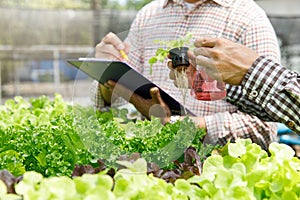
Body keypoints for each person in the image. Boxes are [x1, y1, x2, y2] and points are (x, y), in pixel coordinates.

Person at [92, 0, 281, 150]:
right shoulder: (148, 16)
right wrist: (107, 73)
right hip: (153, 163)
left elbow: (265, 127)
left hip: (215, 169)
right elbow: (115, 99)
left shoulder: (248, 19)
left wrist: (185, 126)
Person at [189, 37, 299, 133]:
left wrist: (253, 70)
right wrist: (209, 82)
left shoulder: (251, 20)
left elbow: (265, 126)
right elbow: (274, 110)